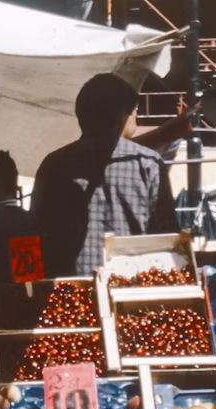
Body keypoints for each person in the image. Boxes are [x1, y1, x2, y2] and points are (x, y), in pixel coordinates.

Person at [32, 73, 176, 277]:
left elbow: (33, 234)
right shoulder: (147, 163)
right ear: (122, 116)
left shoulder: (53, 165)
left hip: (70, 291)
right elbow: (167, 238)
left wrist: (31, 289)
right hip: (130, 285)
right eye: (134, 111)